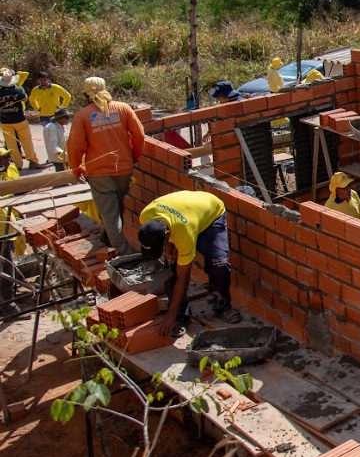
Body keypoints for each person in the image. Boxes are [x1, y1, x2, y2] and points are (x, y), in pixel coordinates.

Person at [139, 190, 238, 337]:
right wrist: (169, 245)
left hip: (211, 214)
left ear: (166, 233)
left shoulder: (184, 232)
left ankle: (222, 305)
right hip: (186, 212)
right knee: (171, 264)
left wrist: (169, 315)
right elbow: (167, 232)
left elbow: (183, 279)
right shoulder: (146, 216)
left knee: (219, 264)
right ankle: (181, 314)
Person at [66, 77, 145, 255]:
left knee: (110, 214)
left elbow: (76, 146)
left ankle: (123, 252)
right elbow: (139, 136)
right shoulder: (122, 108)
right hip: (124, 169)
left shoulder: (83, 115)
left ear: (86, 94)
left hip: (99, 173)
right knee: (116, 207)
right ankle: (108, 238)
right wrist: (133, 157)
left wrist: (76, 167)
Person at [0, 68, 43, 170]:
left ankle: (17, 164)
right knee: (26, 141)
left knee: (11, 144)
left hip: (5, 122)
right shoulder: (19, 90)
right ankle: (33, 160)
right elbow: (25, 98)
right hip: (20, 119)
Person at [0, 148, 22, 318]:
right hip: (1, 232)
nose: (7, 160)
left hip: (8, 229)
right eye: (3, 158)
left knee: (8, 267)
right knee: (7, 270)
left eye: (7, 156)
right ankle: (9, 308)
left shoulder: (11, 171)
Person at [44, 107, 70, 171]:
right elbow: (53, 145)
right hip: (59, 159)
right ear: (60, 118)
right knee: (62, 176)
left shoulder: (62, 126)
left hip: (65, 156)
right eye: (66, 118)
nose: (68, 120)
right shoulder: (52, 128)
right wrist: (60, 153)